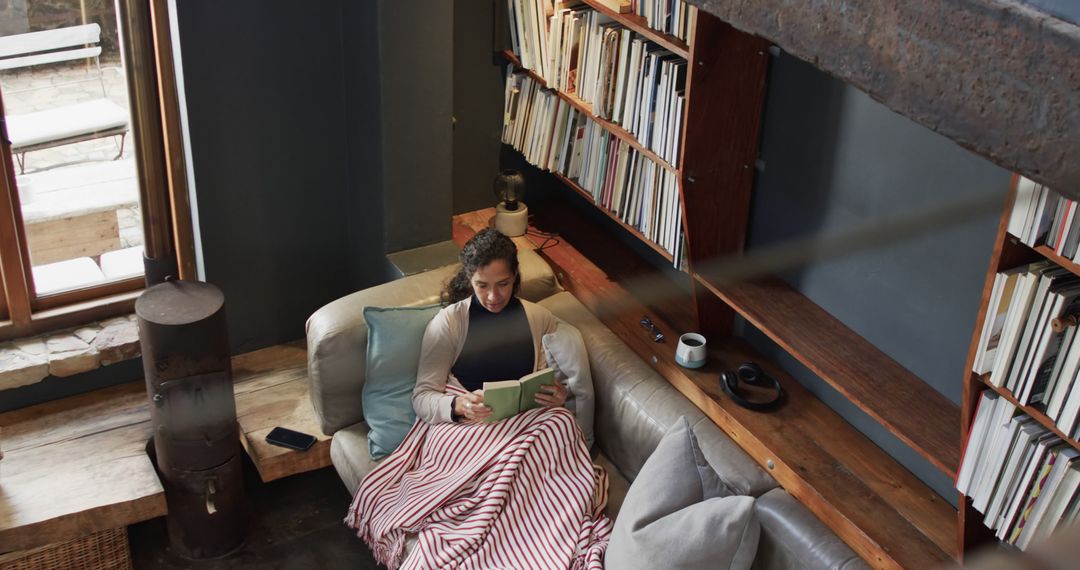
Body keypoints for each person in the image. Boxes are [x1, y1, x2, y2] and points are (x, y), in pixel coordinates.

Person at [412, 227, 568, 423]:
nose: (493, 297)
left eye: (503, 284)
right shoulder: (448, 322)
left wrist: (559, 397)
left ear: (514, 277)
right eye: (482, 285)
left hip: (525, 423)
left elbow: (552, 386)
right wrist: (459, 405)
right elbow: (422, 398)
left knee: (563, 421)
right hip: (467, 427)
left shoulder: (540, 319)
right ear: (470, 280)